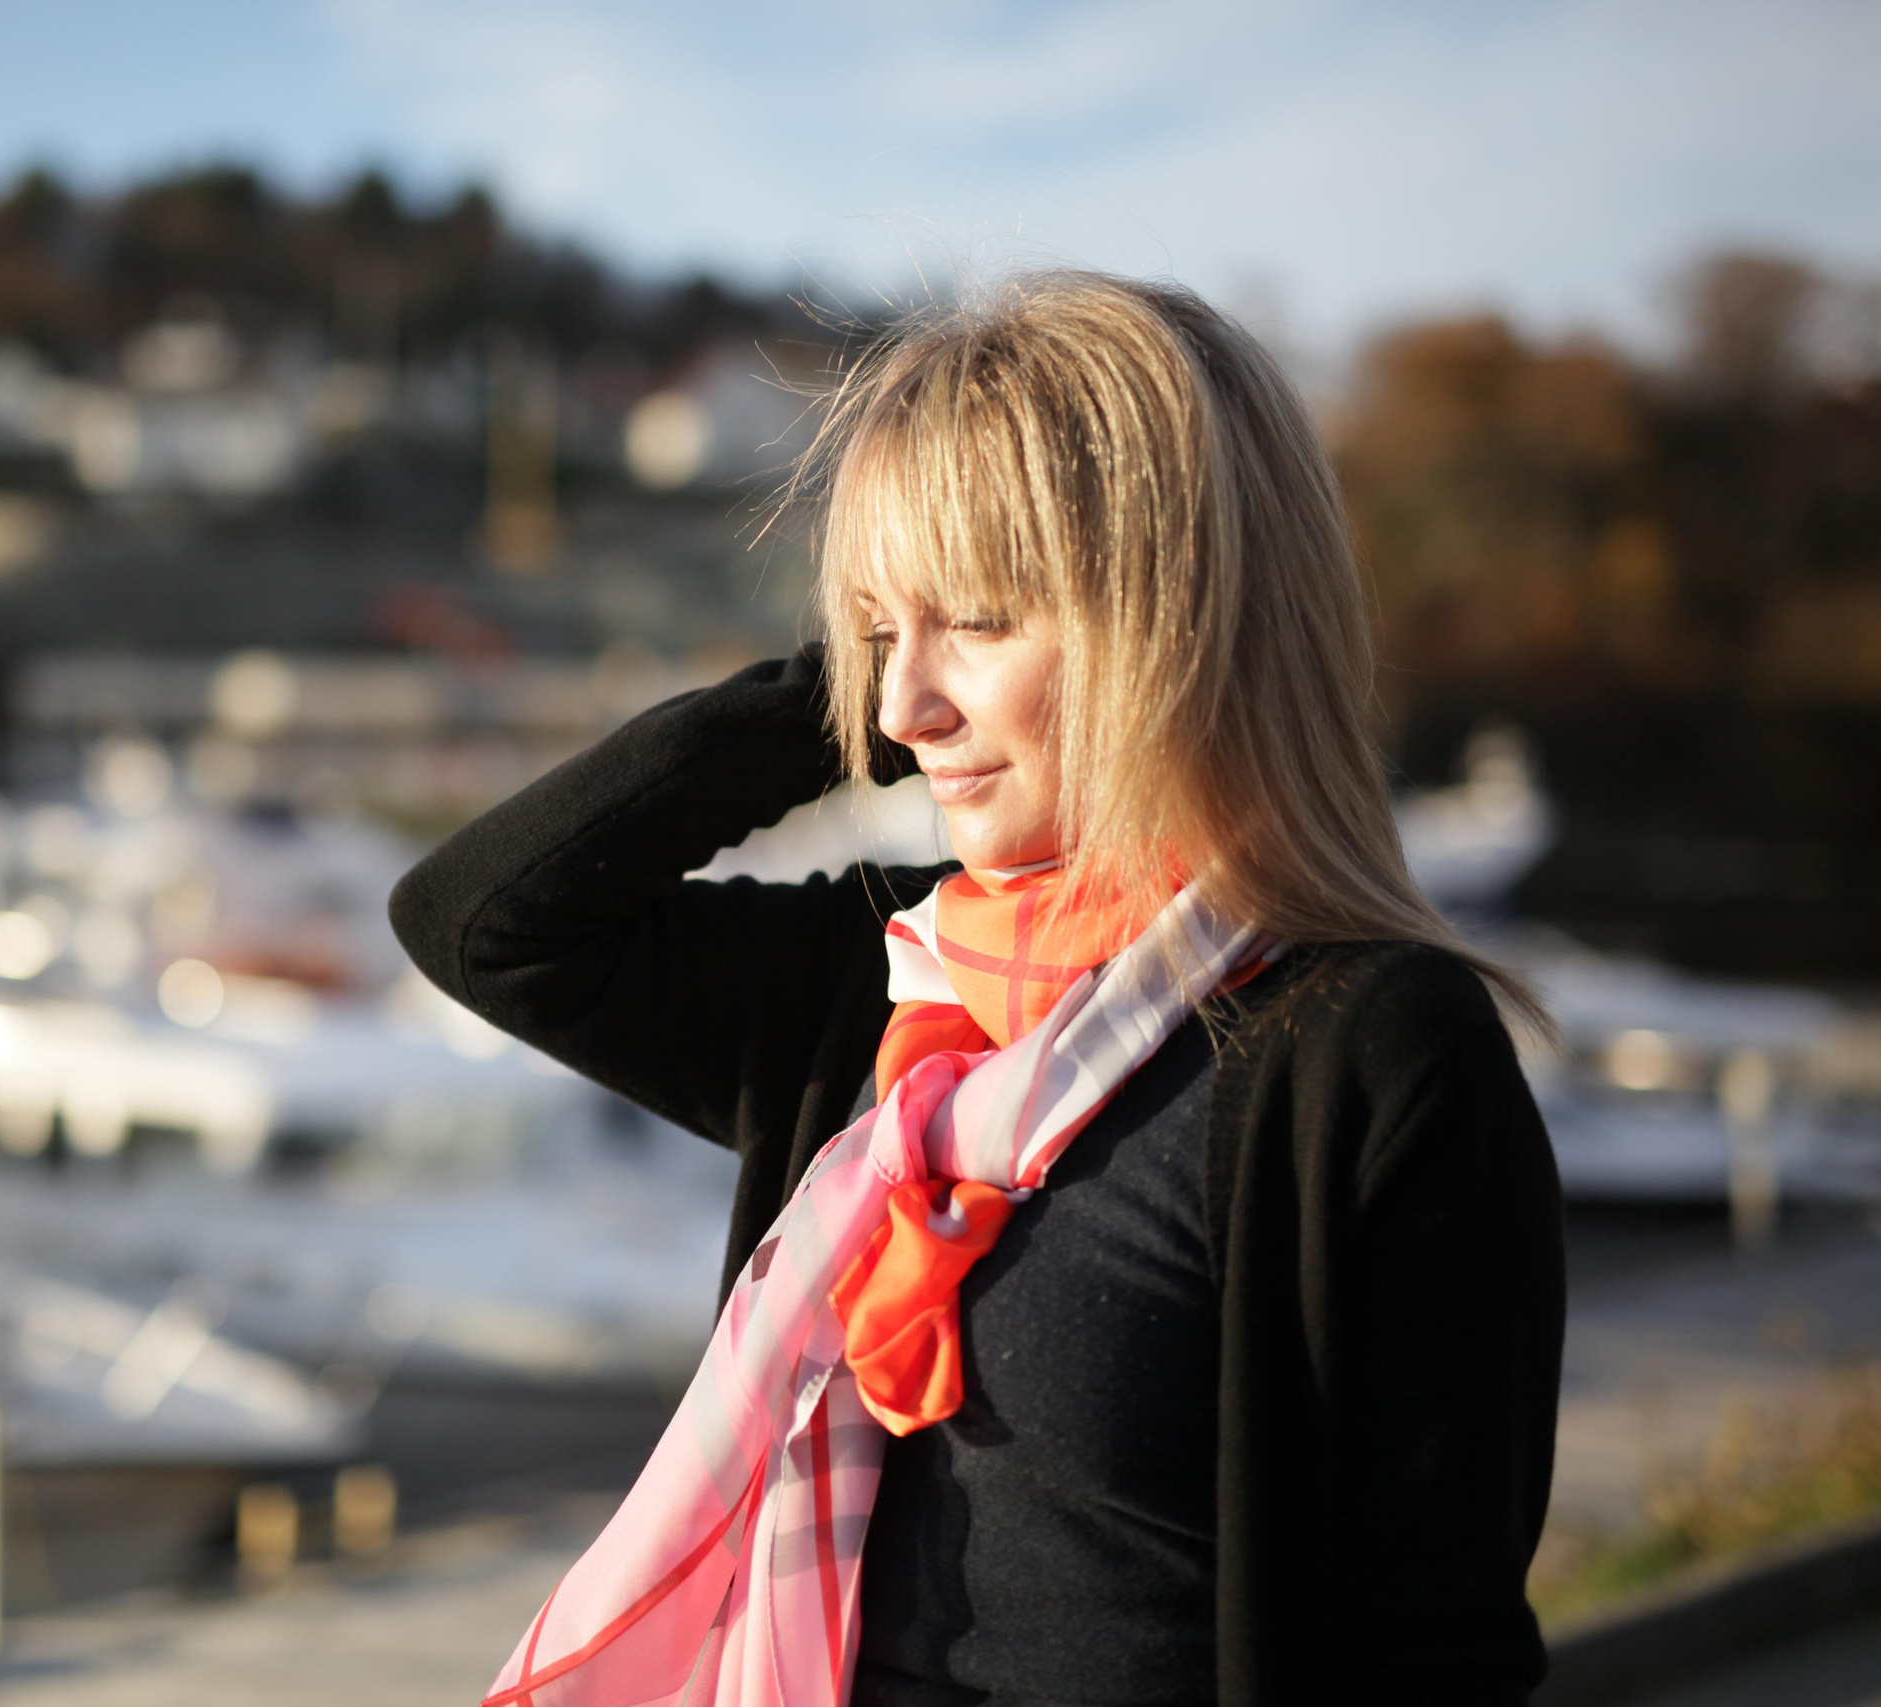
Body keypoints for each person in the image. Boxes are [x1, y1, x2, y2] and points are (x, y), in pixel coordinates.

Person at [390, 271, 1566, 1707]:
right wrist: (869, 670)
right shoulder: (886, 981)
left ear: (1180, 617)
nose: (898, 710)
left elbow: (1431, 1663)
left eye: (986, 621)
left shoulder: (1367, 1053)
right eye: (883, 634)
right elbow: (484, 922)